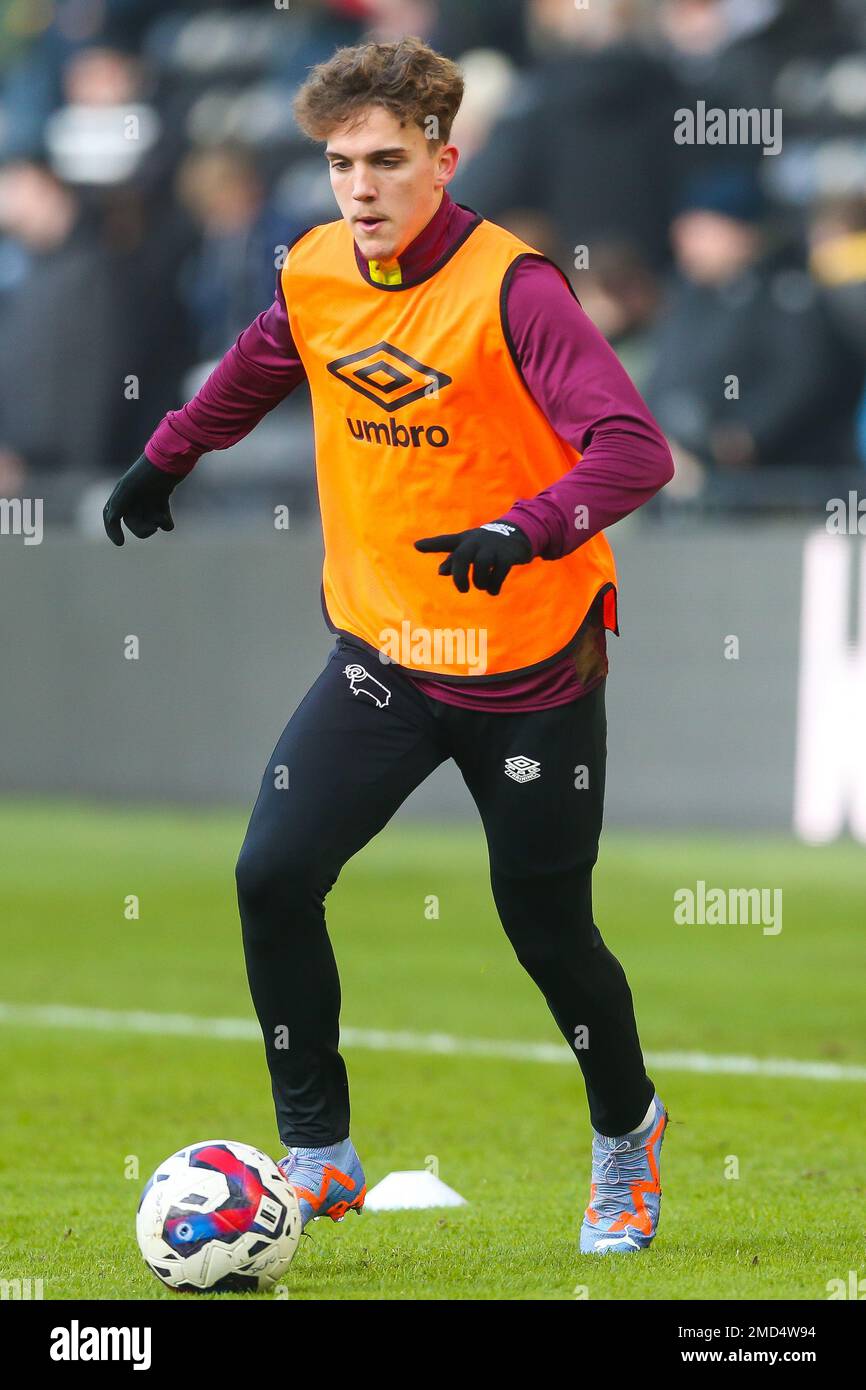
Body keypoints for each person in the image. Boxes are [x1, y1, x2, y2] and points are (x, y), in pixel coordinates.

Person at [103, 36, 674, 1257]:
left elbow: (634, 449)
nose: (358, 188)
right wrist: (169, 455)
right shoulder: (315, 267)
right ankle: (318, 1153)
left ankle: (625, 1134)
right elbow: (266, 358)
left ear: (441, 160)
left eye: (385, 161)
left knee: (545, 932)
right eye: (337, 163)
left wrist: (521, 531)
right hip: (385, 651)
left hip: (531, 660)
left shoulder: (515, 288)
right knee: (270, 875)